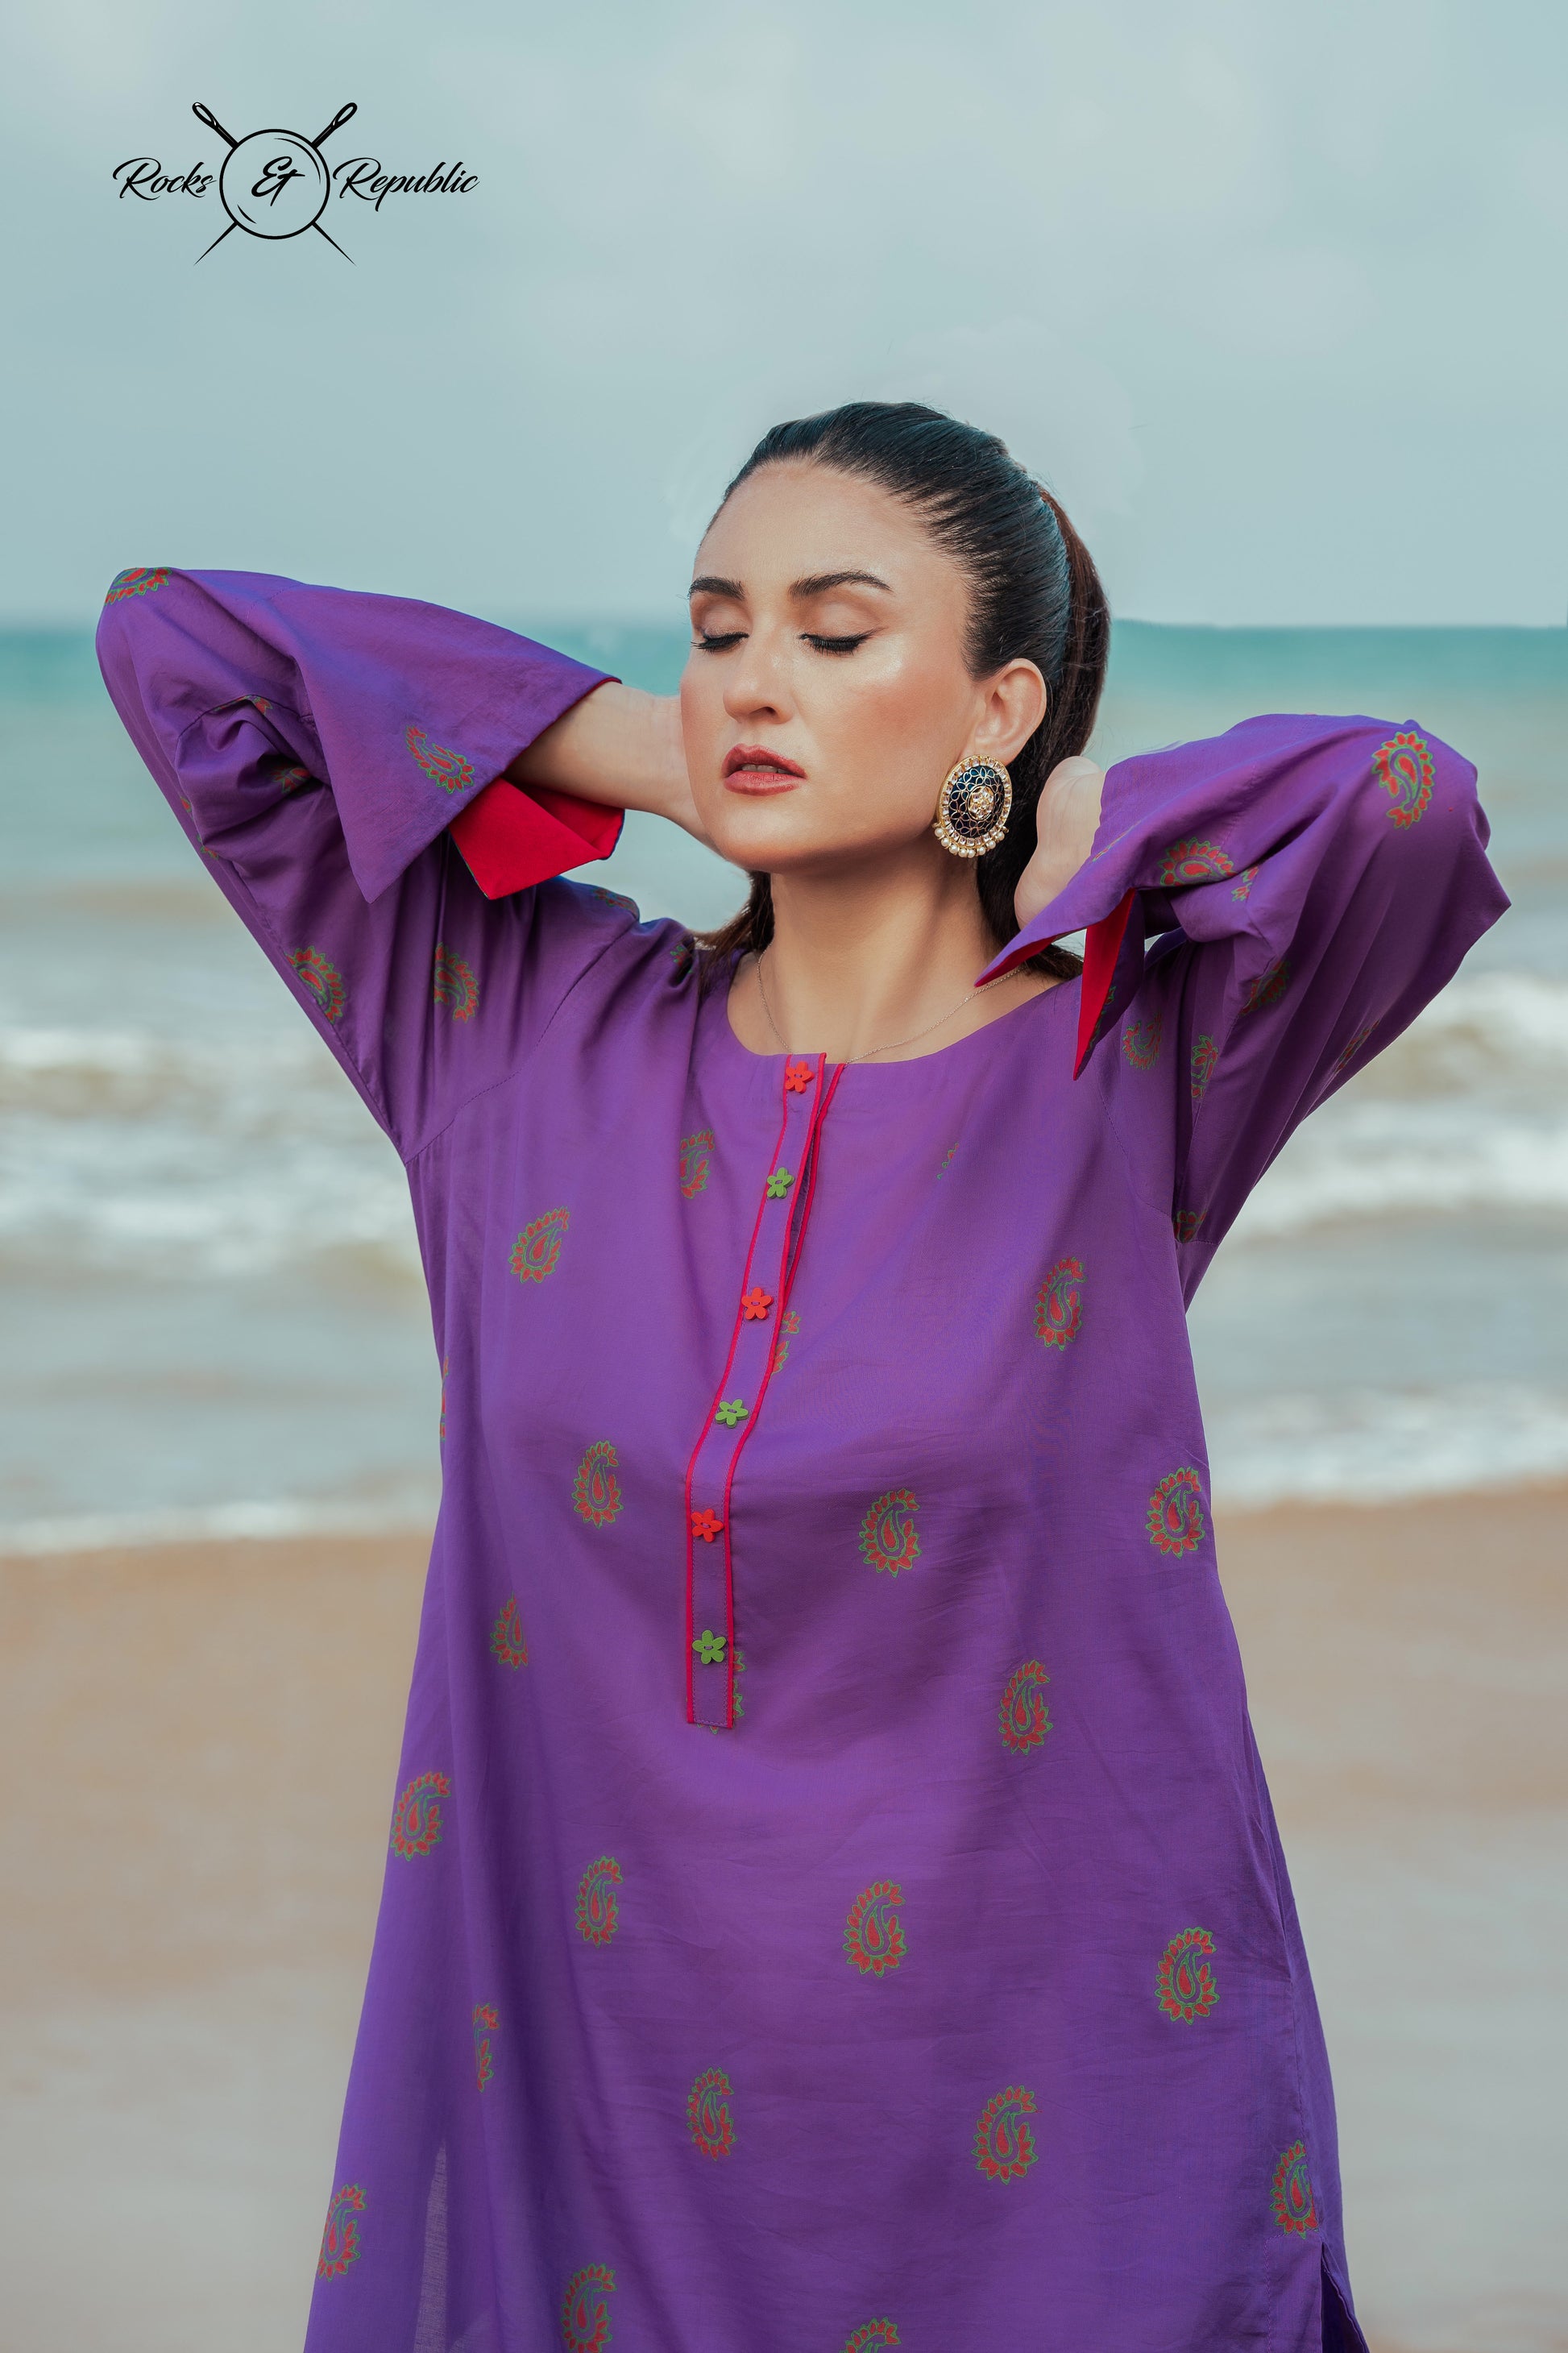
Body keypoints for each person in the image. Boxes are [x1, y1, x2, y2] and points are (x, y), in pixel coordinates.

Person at [97, 402, 1506, 2353]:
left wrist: (1078, 829)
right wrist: (632, 745)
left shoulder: (1124, 1058)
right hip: (597, 2120)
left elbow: (1407, 807)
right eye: (715, 628)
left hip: (1061, 2119)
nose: (754, 678)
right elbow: (174, 645)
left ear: (998, 705)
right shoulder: (508, 1031)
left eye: (834, 634)